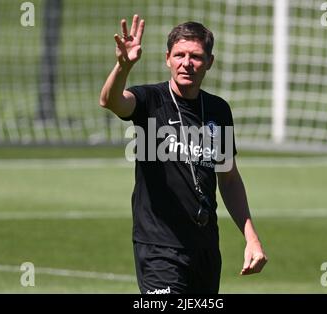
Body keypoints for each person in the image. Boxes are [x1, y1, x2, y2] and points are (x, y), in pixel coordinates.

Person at [99, 14, 267, 294]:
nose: (186, 63)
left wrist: (251, 238)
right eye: (179, 55)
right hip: (159, 248)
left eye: (196, 56)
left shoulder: (218, 111)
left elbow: (229, 179)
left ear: (209, 62)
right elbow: (111, 101)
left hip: (204, 248)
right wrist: (122, 67)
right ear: (167, 58)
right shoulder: (150, 101)